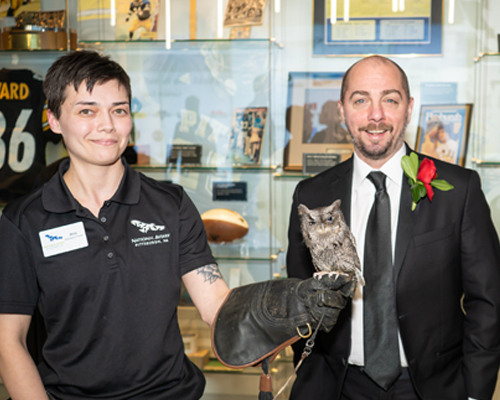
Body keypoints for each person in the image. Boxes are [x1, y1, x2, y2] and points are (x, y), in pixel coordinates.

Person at [0, 50, 355, 400]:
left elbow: (215, 306)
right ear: (54, 120)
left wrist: (289, 303)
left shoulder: (170, 205)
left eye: (119, 110)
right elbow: (8, 341)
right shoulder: (24, 220)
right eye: (87, 111)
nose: (106, 125)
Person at [286, 55, 500, 400]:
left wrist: (475, 392)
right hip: (335, 387)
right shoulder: (311, 195)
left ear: (409, 107)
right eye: (360, 100)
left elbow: (487, 302)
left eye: (390, 99)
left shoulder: (459, 190)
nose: (376, 115)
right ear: (341, 110)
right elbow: (299, 297)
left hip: (431, 388)